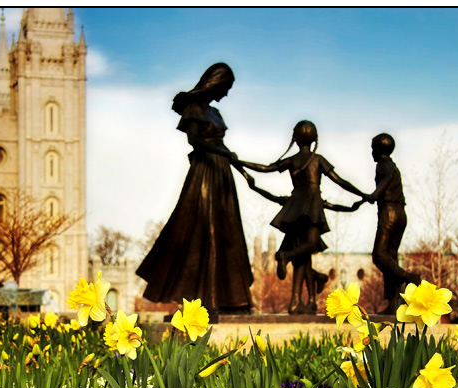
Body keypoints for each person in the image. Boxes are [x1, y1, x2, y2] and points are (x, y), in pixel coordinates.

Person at [136, 63, 254, 313]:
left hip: (222, 175)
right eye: (227, 87)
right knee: (203, 231)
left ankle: (229, 298)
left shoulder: (216, 113)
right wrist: (223, 152)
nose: (227, 94)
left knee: (227, 234)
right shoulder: (194, 108)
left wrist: (243, 172)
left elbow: (224, 149)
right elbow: (194, 140)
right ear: (216, 83)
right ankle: (204, 300)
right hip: (204, 174)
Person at [238, 120, 367, 314]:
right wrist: (364, 196)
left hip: (295, 206)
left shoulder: (292, 160)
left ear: (295, 139)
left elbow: (265, 168)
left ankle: (300, 301)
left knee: (304, 258)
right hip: (313, 205)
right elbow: (339, 181)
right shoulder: (318, 160)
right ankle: (287, 257)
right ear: (314, 138)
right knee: (310, 245)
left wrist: (239, 164)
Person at [361, 133, 420, 314]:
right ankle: (393, 303)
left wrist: (374, 194)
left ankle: (408, 277)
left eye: (373, 148)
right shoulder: (393, 166)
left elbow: (385, 182)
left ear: (379, 149)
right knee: (390, 258)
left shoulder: (383, 166)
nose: (372, 152)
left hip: (389, 213)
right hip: (401, 214)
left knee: (379, 255)